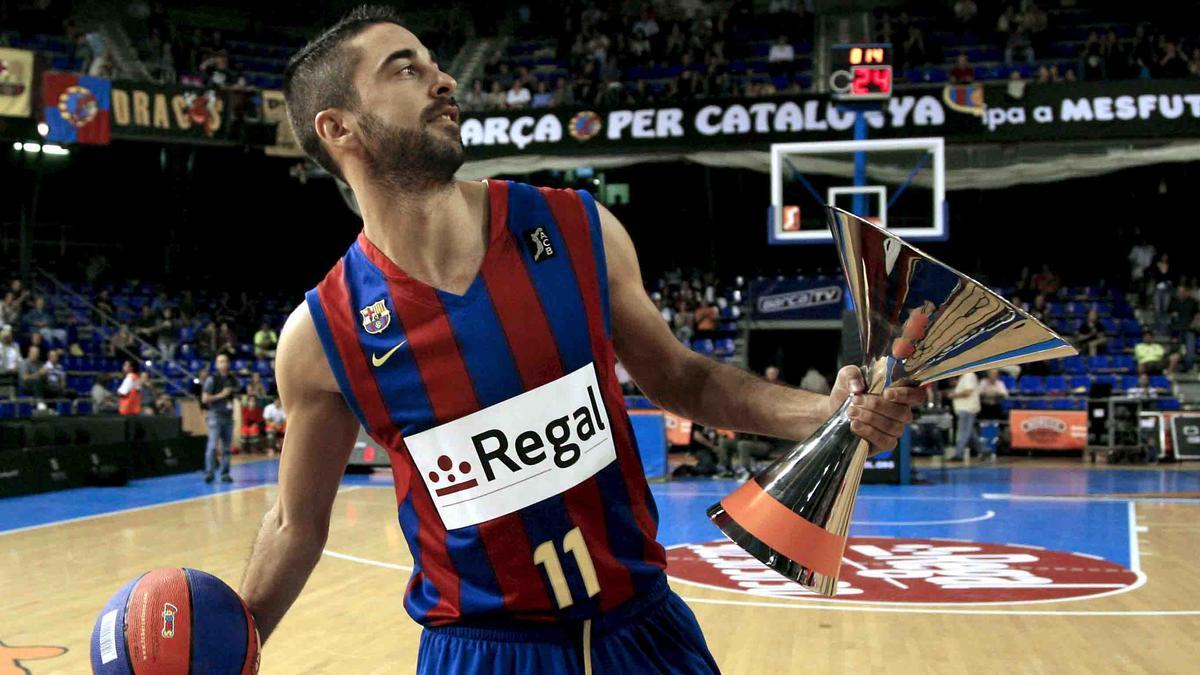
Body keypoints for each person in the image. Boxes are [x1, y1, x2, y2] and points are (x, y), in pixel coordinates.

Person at [241, 8, 922, 673]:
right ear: (339, 127)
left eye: (437, 64)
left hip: (644, 629)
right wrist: (228, 644)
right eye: (406, 69)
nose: (443, 80)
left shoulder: (574, 229)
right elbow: (293, 525)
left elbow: (682, 378)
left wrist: (830, 412)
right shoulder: (322, 335)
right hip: (480, 650)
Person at [202, 353, 239, 483]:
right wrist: (221, 395)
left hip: (228, 416)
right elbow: (205, 398)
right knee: (212, 446)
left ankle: (225, 473)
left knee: (227, 448)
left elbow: (237, 394)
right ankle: (209, 472)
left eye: (225, 361)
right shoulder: (212, 379)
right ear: (217, 365)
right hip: (215, 416)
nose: (223, 364)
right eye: (220, 362)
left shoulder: (232, 379)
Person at [946, 371, 982, 460]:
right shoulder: (964, 377)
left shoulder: (968, 375)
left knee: (963, 432)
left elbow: (968, 392)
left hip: (967, 409)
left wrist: (953, 395)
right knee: (970, 433)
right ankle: (984, 451)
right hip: (966, 409)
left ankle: (959, 454)